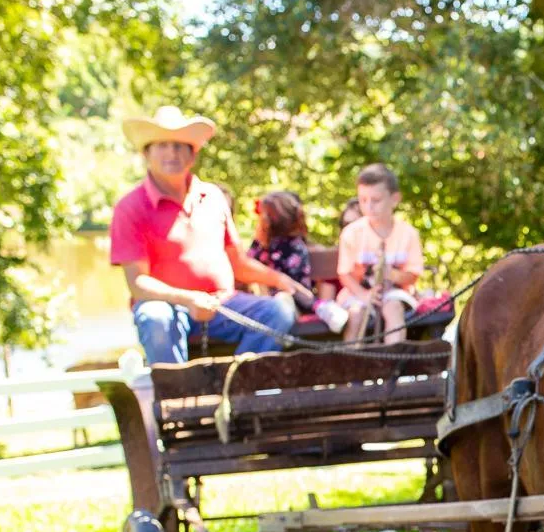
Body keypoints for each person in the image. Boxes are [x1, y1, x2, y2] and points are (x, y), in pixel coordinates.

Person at [109, 105, 308, 363]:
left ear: (193, 154)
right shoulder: (130, 207)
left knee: (278, 311)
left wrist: (280, 280)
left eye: (179, 146)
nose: (172, 153)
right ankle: (176, 389)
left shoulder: (212, 196)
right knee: (155, 317)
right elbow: (137, 282)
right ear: (147, 153)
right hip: (167, 306)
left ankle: (239, 383)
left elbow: (237, 263)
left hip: (222, 304)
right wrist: (189, 299)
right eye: (163, 145)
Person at [337, 164, 423, 344]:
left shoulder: (408, 234)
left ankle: (392, 357)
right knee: (356, 314)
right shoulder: (351, 233)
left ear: (394, 199)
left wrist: (391, 274)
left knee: (393, 309)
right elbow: (344, 273)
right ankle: (350, 358)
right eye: (363, 200)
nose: (369, 206)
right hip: (359, 293)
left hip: (395, 292)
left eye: (376, 200)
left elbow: (413, 275)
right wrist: (364, 294)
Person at [247, 190, 348, 332]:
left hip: (293, 304)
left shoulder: (295, 247)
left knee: (282, 300)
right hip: (264, 302)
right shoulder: (260, 244)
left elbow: (295, 286)